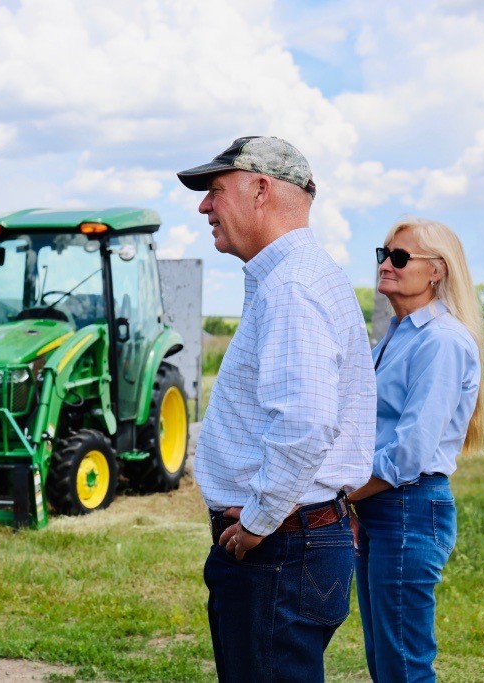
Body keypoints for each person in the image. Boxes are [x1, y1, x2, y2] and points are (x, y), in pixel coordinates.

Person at [176, 136, 376, 682]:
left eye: (215, 191)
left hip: (281, 547)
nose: (203, 207)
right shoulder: (297, 276)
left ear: (260, 189)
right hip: (295, 541)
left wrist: (259, 523)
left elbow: (305, 424)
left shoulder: (290, 286)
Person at [349, 218, 483, 682]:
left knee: (403, 664)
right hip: (383, 506)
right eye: (382, 254)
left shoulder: (441, 341)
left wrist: (343, 497)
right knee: (386, 659)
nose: (386, 264)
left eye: (400, 257)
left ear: (436, 272)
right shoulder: (399, 334)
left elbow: (410, 452)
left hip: (406, 507)